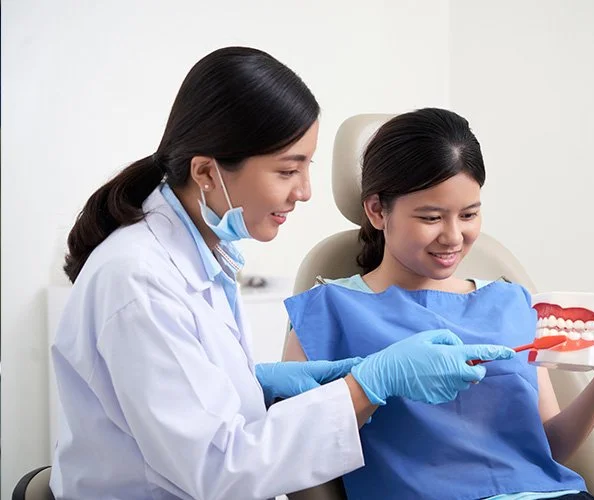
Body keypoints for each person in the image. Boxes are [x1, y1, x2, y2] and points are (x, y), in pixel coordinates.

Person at [50, 48, 515, 499]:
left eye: (307, 167)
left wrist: (256, 382)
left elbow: (189, 397)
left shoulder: (196, 258)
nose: (305, 191)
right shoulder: (139, 280)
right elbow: (220, 472)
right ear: (207, 173)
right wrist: (369, 384)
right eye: (287, 170)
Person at [283, 107, 594, 500]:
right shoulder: (325, 313)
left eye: (469, 214)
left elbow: (548, 449)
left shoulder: (511, 301)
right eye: (431, 217)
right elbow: (292, 448)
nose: (454, 236)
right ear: (378, 210)